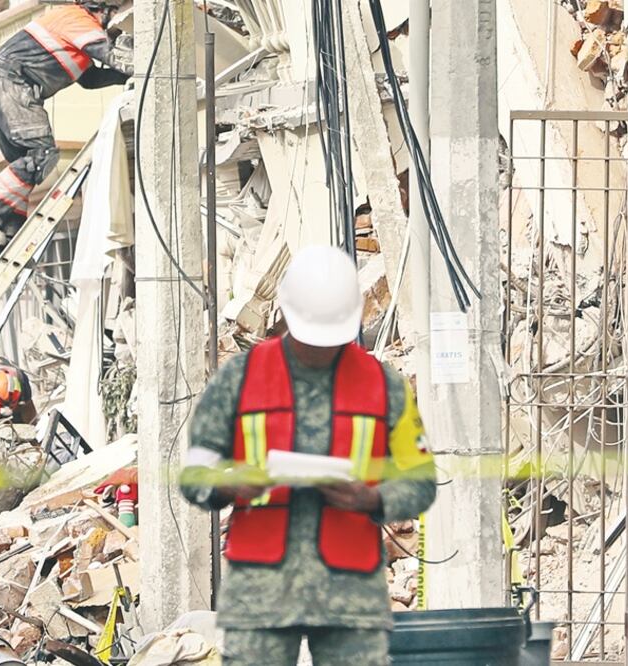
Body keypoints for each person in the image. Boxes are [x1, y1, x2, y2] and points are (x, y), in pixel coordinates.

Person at [180, 245, 437, 666]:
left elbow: (421, 479)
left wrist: (373, 499)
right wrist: (227, 482)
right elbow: (195, 472)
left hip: (349, 586)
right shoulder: (239, 379)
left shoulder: (384, 386)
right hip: (261, 588)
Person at [0, 0, 132, 242]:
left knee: (26, 164)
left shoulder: (74, 31)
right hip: (12, 85)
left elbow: (90, 79)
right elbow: (110, 55)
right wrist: (142, 62)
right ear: (101, 9)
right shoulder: (77, 19)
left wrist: (123, 77)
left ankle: (9, 230)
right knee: (42, 154)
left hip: (1, 85)